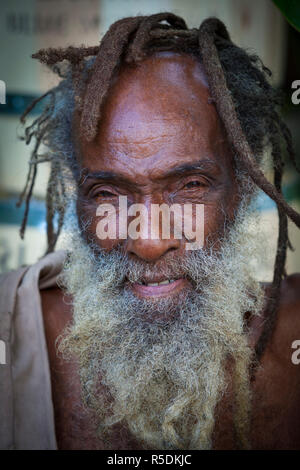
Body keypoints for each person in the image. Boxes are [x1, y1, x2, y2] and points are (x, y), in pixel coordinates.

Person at [1, 13, 300, 450]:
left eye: (190, 186)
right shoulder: (12, 331)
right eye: (107, 192)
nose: (148, 241)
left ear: (243, 183)